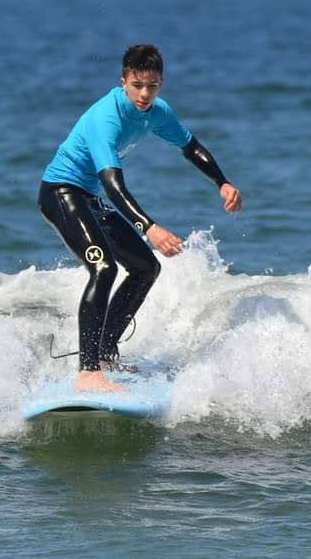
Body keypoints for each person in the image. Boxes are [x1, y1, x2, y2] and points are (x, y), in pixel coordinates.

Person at [38, 44, 243, 393]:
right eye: (137, 85)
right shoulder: (106, 118)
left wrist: (222, 182)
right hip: (61, 192)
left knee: (146, 268)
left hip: (88, 197)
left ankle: (104, 353)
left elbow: (190, 146)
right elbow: (114, 187)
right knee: (103, 269)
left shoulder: (157, 112)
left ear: (161, 83)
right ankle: (87, 372)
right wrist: (149, 227)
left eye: (153, 85)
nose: (145, 94)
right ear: (123, 82)